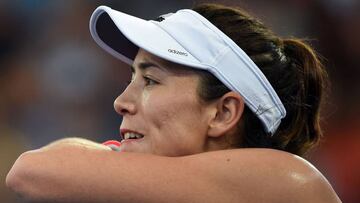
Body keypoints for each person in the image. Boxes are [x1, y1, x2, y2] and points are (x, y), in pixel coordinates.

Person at [6, 3, 341, 203]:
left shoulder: (289, 182)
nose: (121, 102)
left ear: (223, 112)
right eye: (131, 79)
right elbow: (39, 168)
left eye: (150, 80)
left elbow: (33, 171)